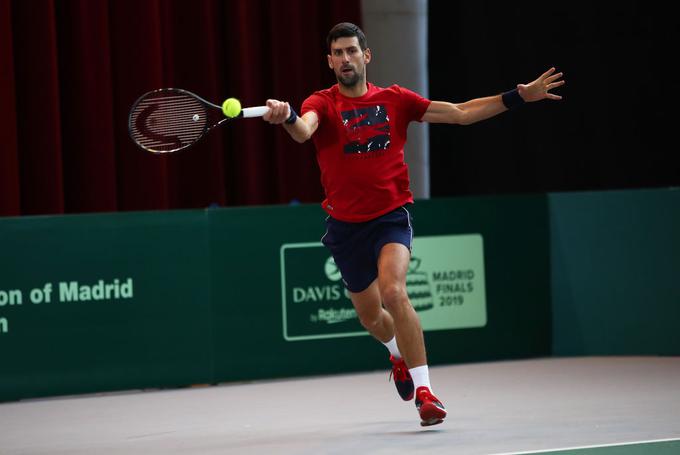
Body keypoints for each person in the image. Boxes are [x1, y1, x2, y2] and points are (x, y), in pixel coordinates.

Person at [263, 22, 564, 426]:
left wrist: (517, 97)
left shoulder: (396, 100)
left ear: (366, 56)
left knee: (393, 290)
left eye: (352, 51)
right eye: (338, 53)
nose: (346, 59)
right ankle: (396, 356)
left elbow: (459, 113)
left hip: (390, 217)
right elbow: (303, 131)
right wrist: (287, 117)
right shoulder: (321, 102)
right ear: (330, 61)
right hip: (345, 226)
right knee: (371, 318)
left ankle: (426, 392)